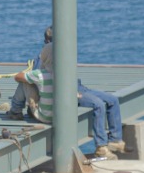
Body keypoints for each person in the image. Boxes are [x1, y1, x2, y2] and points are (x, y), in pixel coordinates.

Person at [11, 27, 125, 158]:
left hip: (78, 87)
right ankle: (101, 146)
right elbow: (40, 80)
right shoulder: (45, 56)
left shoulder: (62, 53)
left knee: (112, 99)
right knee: (98, 104)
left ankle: (115, 140)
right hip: (67, 92)